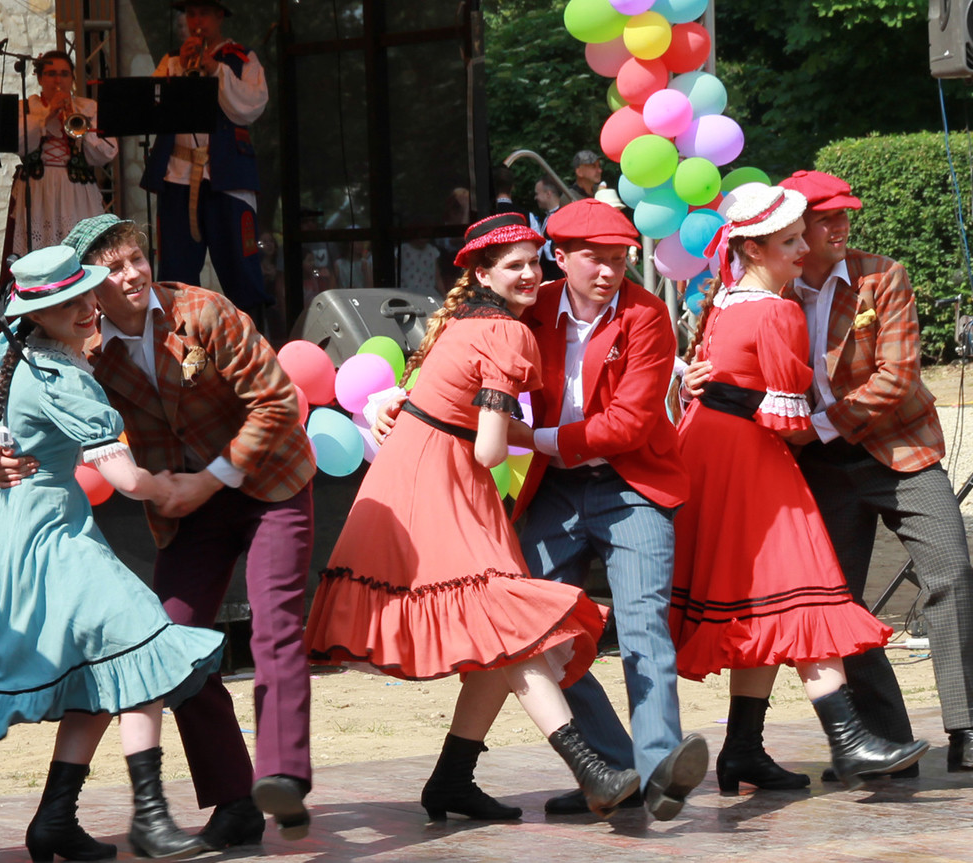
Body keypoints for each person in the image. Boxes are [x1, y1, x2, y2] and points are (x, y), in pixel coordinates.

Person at [0, 214, 314, 848]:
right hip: (187, 506)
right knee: (172, 647)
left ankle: (282, 775)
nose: (132, 273)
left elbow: (277, 401)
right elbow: (0, 395)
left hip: (270, 481)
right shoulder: (84, 343)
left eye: (137, 258)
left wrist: (210, 479)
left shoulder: (203, 311)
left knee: (275, 622)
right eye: (114, 268)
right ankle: (235, 801)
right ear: (87, 286)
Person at [373, 200, 705, 820]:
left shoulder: (647, 314)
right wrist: (390, 400)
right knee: (538, 631)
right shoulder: (532, 305)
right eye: (594, 259)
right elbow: (453, 359)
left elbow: (628, 426)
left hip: (633, 484)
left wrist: (534, 437)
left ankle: (661, 771)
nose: (608, 271)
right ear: (562, 257)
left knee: (642, 627)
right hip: (555, 490)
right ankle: (615, 768)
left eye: (619, 259)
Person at [0, 246, 223, 862]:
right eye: (67, 305)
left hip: (27, 524)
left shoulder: (21, 351)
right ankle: (151, 820)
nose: (86, 310)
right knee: (142, 647)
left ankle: (55, 820)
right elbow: (127, 479)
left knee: (105, 668)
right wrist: (184, 487)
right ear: (38, 314)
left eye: (85, 296)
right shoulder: (62, 376)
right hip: (49, 536)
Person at [674, 183, 929, 790]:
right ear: (754, 249)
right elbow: (789, 421)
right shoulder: (777, 311)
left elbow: (715, 381)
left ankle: (742, 748)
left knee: (762, 604)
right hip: (750, 461)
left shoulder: (724, 301)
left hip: (709, 454)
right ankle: (849, 741)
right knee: (805, 591)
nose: (801, 250)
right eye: (789, 242)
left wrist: (712, 392)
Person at [776, 170, 973, 776]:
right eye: (826, 218)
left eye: (845, 215)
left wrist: (819, 425)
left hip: (900, 448)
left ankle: (968, 729)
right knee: (835, 602)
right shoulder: (770, 290)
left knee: (952, 573)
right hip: (818, 468)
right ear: (795, 227)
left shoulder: (881, 276)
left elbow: (899, 377)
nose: (841, 226)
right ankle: (887, 742)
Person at [142, 0, 273, 337]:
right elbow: (150, 108)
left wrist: (216, 69)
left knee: (240, 267)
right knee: (175, 271)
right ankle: (180, 347)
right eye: (191, 14)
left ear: (219, 17)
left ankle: (253, 347)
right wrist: (178, 70)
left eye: (203, 13)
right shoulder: (171, 61)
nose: (196, 20)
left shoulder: (242, 59)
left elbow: (251, 106)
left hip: (227, 179)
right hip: (177, 178)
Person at [5, 51, 118, 259]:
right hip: (38, 191)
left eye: (64, 74)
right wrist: (46, 116)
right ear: (40, 78)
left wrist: (79, 122)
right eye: (51, 74)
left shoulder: (88, 108)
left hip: (77, 192)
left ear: (72, 78)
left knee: (83, 254)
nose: (58, 80)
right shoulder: (26, 108)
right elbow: (17, 144)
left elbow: (107, 152)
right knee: (40, 255)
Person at [529, 176, 565, 281]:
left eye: (537, 194)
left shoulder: (563, 216)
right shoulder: (547, 217)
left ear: (548, 194)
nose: (535, 198)